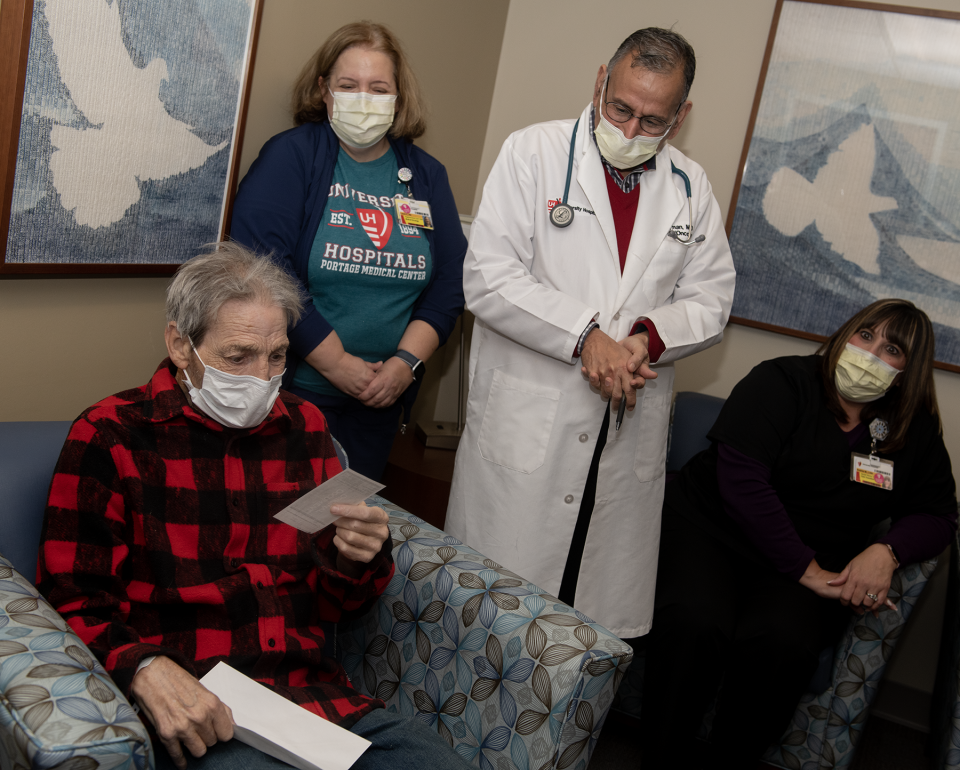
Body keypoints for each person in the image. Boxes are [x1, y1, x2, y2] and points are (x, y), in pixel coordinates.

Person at [37, 244, 472, 770]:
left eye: (277, 357)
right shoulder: (111, 436)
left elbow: (343, 608)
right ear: (180, 344)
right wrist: (145, 667)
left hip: (315, 702)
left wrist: (357, 558)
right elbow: (70, 602)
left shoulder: (305, 426)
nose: (261, 378)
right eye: (238, 356)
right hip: (201, 709)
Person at [445, 28, 736, 638]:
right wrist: (586, 335)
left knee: (586, 626)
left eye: (652, 120)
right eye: (620, 108)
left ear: (681, 117)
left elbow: (711, 298)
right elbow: (488, 279)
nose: (630, 132)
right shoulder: (533, 154)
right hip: (530, 430)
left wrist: (647, 339)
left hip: (623, 433)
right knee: (491, 621)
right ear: (600, 80)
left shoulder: (691, 187)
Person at [639, 299, 958, 768]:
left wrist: (887, 551)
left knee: (783, 642)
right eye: (865, 335)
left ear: (907, 369)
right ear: (847, 333)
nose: (870, 354)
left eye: (891, 349)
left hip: (813, 562)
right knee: (694, 621)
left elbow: (938, 515)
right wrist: (805, 570)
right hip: (714, 531)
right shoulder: (783, 381)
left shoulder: (912, 429)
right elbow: (742, 483)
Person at [231, 21, 467, 481]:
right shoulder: (291, 157)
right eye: (348, 85)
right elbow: (262, 271)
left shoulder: (426, 175)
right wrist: (337, 364)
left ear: (398, 97)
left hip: (383, 397)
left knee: (348, 531)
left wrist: (405, 365)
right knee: (285, 527)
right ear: (324, 90)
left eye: (378, 88)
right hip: (295, 393)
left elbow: (449, 282)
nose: (364, 99)